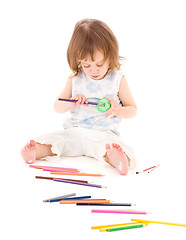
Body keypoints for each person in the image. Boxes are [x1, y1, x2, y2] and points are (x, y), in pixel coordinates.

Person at [21, 19, 137, 175]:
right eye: (86, 65)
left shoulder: (117, 79)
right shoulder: (75, 79)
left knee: (111, 146)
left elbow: (133, 110)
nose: (93, 71)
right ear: (78, 60)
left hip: (103, 133)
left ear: (111, 56)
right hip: (74, 131)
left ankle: (117, 158)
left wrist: (117, 110)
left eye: (99, 64)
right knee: (57, 140)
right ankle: (36, 150)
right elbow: (57, 106)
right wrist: (70, 104)